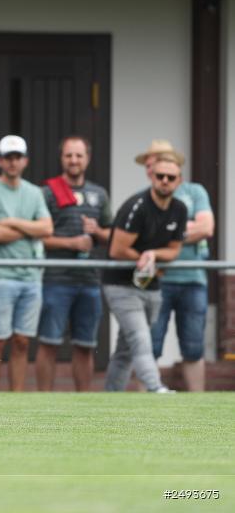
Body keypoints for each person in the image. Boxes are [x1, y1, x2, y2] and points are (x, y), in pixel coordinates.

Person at [103, 152, 186, 393]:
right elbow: (117, 249)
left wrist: (153, 254)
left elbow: (173, 251)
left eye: (171, 177)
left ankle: (111, 398)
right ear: (152, 177)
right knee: (140, 337)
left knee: (125, 349)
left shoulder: (179, 209)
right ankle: (154, 386)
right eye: (160, 176)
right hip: (120, 285)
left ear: (179, 180)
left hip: (151, 285)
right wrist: (143, 257)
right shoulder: (136, 206)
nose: (165, 181)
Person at [35, 136, 112, 392]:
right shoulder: (46, 193)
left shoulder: (99, 195)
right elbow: (38, 239)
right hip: (56, 279)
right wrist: (72, 243)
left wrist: (98, 231)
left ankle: (84, 401)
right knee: (48, 342)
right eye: (69, 155)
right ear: (62, 159)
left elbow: (113, 236)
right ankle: (43, 400)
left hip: (90, 280)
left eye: (79, 155)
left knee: (85, 344)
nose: (74, 160)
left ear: (87, 158)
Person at [0, 135, 52, 392]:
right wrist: (30, 228)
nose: (12, 162)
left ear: (25, 161)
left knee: (22, 341)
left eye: (17, 157)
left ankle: (16, 398)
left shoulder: (34, 192)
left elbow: (47, 228)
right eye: (8, 157)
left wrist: (11, 221)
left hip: (31, 275)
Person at [137, 142, 214, 392]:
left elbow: (206, 228)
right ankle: (138, 407)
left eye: (157, 162)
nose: (155, 171)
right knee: (150, 344)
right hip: (158, 280)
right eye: (150, 165)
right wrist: (182, 231)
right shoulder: (145, 197)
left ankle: (198, 408)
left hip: (192, 280)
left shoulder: (195, 192)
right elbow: (141, 236)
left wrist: (168, 232)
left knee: (193, 347)